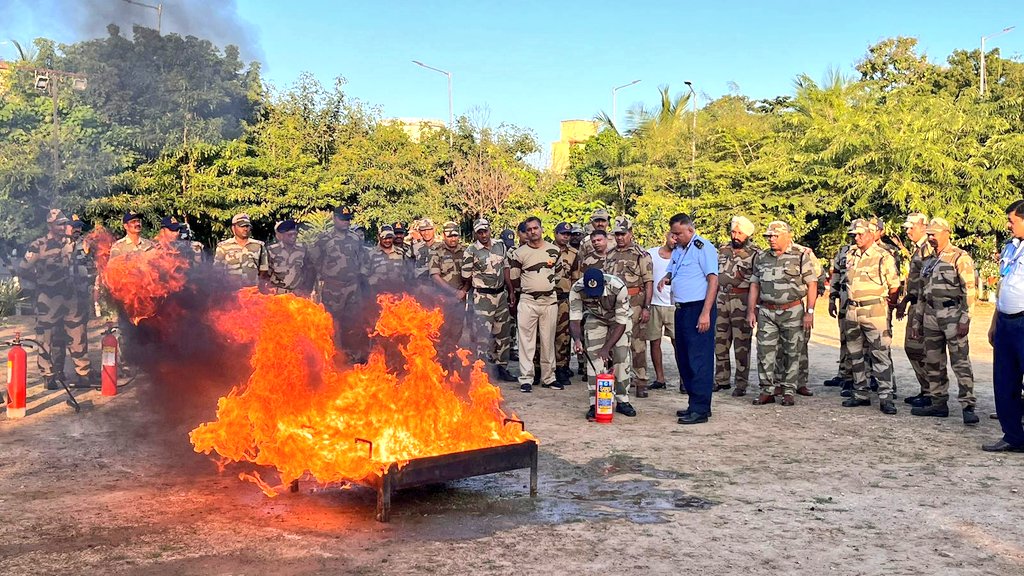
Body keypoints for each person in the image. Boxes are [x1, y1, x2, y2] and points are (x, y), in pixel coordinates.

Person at [908, 218, 977, 424]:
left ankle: (968, 405)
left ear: (946, 233)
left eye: (934, 234)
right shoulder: (928, 260)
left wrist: (966, 318)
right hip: (930, 313)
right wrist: (916, 322)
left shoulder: (959, 257)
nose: (930, 238)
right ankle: (938, 402)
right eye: (928, 234)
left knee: (960, 360)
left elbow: (969, 291)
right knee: (933, 360)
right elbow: (922, 294)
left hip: (952, 314)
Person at [746, 221, 817, 406]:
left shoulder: (800, 255)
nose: (771, 240)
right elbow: (755, 284)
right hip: (767, 312)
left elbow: (812, 284)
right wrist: (751, 310)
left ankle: (788, 390)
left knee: (792, 352)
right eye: (769, 236)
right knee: (764, 352)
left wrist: (809, 312)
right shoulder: (761, 256)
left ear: (787, 236)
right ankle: (767, 390)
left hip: (792, 310)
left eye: (775, 236)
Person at [657, 213, 718, 425]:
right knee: (684, 357)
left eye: (678, 233)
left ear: (690, 231)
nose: (674, 238)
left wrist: (705, 313)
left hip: (698, 308)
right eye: (672, 234)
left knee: (698, 358)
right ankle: (695, 402)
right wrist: (666, 278)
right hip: (681, 308)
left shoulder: (703, 247)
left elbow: (713, 280)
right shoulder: (680, 249)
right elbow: (674, 270)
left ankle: (700, 409)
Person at [19, 209, 91, 389]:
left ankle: (83, 373)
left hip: (70, 297)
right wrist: (39, 281)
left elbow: (84, 265)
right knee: (46, 338)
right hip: (48, 298)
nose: (62, 226)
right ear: (50, 225)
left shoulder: (72, 243)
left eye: (64, 223)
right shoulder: (38, 245)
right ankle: (48, 375)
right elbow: (23, 268)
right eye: (59, 223)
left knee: (77, 335)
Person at [841, 219, 900, 415]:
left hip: (874, 310)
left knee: (880, 353)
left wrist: (887, 306)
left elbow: (894, 286)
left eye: (859, 234)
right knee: (855, 354)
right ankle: (860, 393)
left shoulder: (883, 256)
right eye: (853, 235)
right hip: (852, 310)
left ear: (870, 234)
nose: (856, 238)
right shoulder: (850, 254)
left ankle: (886, 396)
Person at [570, 267, 636, 419]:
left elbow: (621, 323)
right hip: (595, 318)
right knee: (594, 358)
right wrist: (578, 340)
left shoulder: (618, 287)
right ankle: (596, 403)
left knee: (620, 356)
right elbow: (575, 318)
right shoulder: (576, 289)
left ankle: (622, 401)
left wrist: (607, 348)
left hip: (618, 320)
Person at [985, 199, 1024, 452]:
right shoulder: (1010, 248)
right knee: (1005, 380)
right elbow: (1002, 287)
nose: (1008, 225)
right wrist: (994, 322)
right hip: (1006, 323)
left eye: (1012, 220)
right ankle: (1013, 436)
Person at [507, 216, 561, 393]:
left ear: (542, 229)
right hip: (528, 300)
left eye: (535, 228)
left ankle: (548, 377)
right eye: (529, 229)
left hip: (549, 301)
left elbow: (558, 275)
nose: (532, 232)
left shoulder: (554, 250)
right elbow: (514, 278)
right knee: (526, 341)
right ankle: (526, 379)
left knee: (548, 341)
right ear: (525, 232)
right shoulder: (519, 253)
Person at [309, 206, 368, 357]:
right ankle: (333, 355)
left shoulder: (356, 238)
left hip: (354, 287)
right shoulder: (324, 239)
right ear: (334, 218)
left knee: (354, 322)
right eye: (342, 219)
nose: (346, 222)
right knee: (332, 323)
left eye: (348, 220)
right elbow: (314, 261)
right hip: (333, 288)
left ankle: (353, 356)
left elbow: (362, 260)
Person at [462, 218, 516, 382]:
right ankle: (481, 370)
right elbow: (466, 276)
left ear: (490, 230)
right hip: (482, 297)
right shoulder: (471, 250)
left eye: (485, 231)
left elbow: (505, 267)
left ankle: (502, 367)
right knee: (482, 335)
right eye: (480, 232)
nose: (483, 235)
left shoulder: (500, 245)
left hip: (500, 295)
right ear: (475, 234)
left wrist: (511, 290)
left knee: (503, 333)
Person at [607, 217, 654, 398]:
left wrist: (646, 307)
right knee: (615, 342)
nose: (619, 238)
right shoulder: (610, 254)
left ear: (631, 234)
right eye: (617, 234)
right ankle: (616, 379)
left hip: (635, 302)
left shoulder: (641, 254)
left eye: (623, 234)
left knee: (637, 344)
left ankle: (640, 381)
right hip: (614, 304)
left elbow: (649, 282)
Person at [714, 216, 760, 396]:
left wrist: (754, 308)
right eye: (733, 231)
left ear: (747, 234)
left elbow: (758, 282)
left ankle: (741, 383)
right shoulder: (722, 250)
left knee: (742, 344)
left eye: (740, 233)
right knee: (720, 341)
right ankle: (721, 379)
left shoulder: (756, 253)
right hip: (721, 299)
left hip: (742, 300)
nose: (736, 235)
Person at [895, 213, 934, 404]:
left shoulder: (929, 248)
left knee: (919, 348)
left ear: (923, 227)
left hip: (924, 305)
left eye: (912, 227)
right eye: (907, 228)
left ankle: (931, 392)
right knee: (913, 347)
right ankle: (926, 389)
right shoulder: (918, 249)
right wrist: (905, 301)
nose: (908, 231)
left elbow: (926, 282)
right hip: (915, 302)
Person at [429, 221, 468, 363]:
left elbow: (471, 274)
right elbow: (435, 276)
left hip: (460, 300)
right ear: (444, 235)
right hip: (443, 299)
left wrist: (463, 291)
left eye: (455, 235)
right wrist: (453, 292)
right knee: (441, 332)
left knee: (456, 331)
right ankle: (438, 363)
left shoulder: (466, 251)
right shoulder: (437, 251)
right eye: (449, 235)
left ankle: (451, 361)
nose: (452, 239)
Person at [646, 230, 676, 391]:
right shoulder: (651, 254)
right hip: (655, 304)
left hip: (674, 305)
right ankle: (660, 378)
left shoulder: (683, 256)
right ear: (666, 235)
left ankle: (684, 380)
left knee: (678, 343)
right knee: (654, 342)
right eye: (673, 236)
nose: (675, 240)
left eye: (678, 237)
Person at [826, 231, 856, 394]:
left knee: (859, 341)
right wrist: (832, 298)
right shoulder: (844, 251)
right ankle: (844, 372)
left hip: (861, 300)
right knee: (844, 336)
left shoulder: (877, 252)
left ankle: (859, 377)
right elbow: (835, 275)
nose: (854, 237)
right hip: (844, 297)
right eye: (852, 234)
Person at [553, 222, 579, 387]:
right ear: (555, 233)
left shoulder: (574, 254)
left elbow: (575, 278)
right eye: (563, 233)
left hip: (564, 298)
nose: (565, 237)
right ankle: (540, 367)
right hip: (548, 297)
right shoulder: (546, 250)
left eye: (568, 234)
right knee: (543, 335)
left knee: (563, 336)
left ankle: (562, 368)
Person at [213, 213, 270, 288]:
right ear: (233, 228)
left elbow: (264, 270)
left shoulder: (259, 246)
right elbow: (217, 271)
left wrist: (260, 287)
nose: (245, 229)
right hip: (231, 292)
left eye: (247, 226)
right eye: (242, 226)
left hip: (252, 291)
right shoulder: (223, 247)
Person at [267, 220, 313, 296]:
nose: (293, 237)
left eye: (295, 234)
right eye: (290, 235)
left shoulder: (303, 249)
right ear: (282, 236)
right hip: (277, 295)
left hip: (297, 294)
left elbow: (309, 270)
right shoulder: (271, 250)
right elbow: (265, 274)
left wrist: (306, 289)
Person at [365, 226, 411, 292]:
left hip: (397, 293)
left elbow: (407, 274)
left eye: (390, 238)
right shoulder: (370, 254)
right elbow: (363, 276)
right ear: (378, 237)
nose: (388, 240)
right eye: (385, 238)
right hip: (377, 293)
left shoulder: (401, 253)